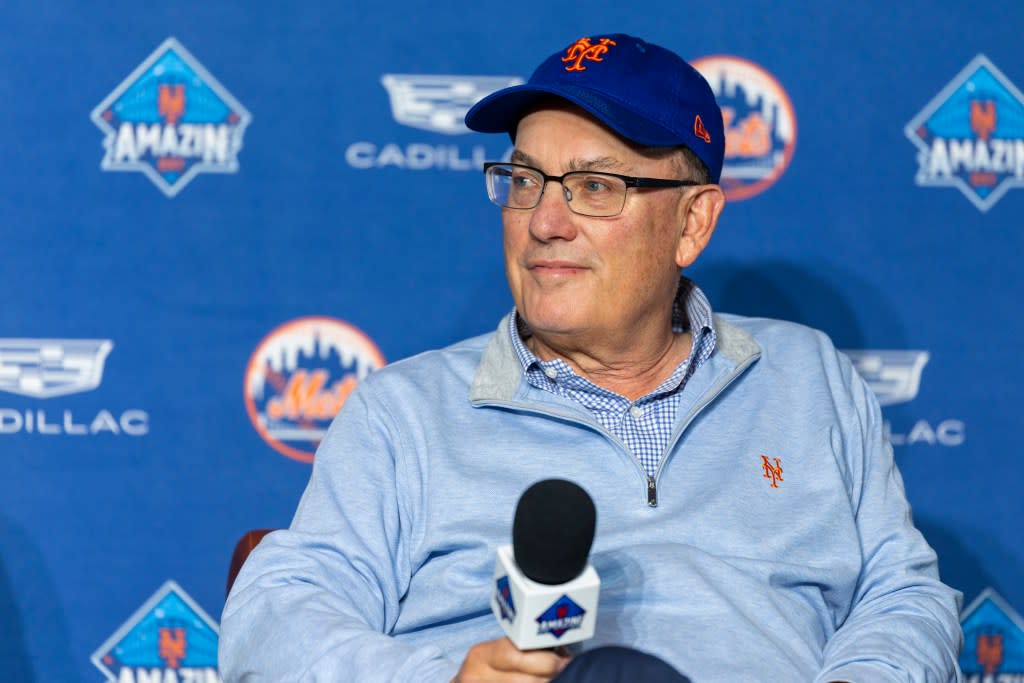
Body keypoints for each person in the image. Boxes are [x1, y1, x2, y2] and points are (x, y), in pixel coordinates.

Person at [219, 33, 963, 682]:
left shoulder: (808, 378)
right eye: (524, 180)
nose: (543, 221)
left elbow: (904, 594)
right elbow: (274, 614)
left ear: (692, 222)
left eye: (594, 187)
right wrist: (442, 675)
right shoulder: (405, 412)